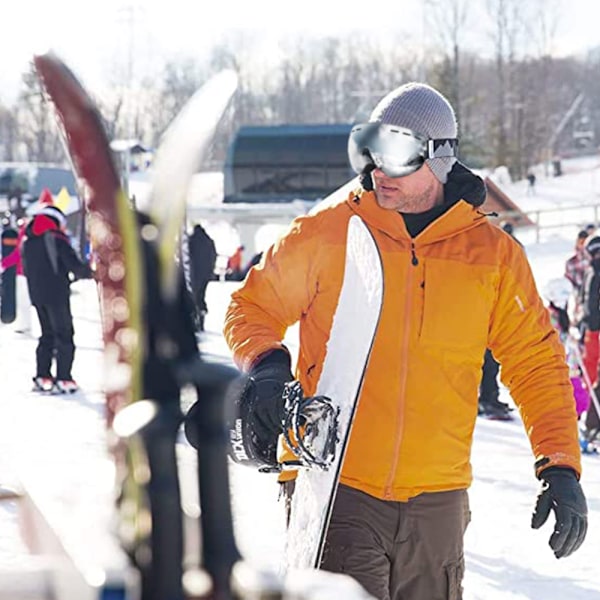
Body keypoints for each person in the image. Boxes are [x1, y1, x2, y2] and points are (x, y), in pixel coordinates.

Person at [222, 83, 587, 600]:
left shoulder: (493, 256)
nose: (375, 170)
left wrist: (561, 466)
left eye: (393, 153)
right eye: (368, 149)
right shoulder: (331, 232)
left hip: (437, 501)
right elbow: (250, 306)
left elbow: (535, 363)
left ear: (439, 157)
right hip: (338, 486)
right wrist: (266, 365)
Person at [22, 205, 92, 393]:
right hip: (57, 295)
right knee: (64, 335)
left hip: (37, 295)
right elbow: (75, 267)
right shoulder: (57, 239)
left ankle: (42, 375)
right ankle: (64, 378)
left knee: (47, 335)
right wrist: (92, 269)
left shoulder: (28, 241)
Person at [187, 223, 217, 332]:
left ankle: (196, 317)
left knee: (194, 295)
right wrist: (211, 271)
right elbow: (213, 256)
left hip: (194, 273)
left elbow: (187, 256)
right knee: (201, 294)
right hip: (205, 273)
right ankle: (202, 314)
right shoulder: (209, 241)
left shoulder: (191, 240)